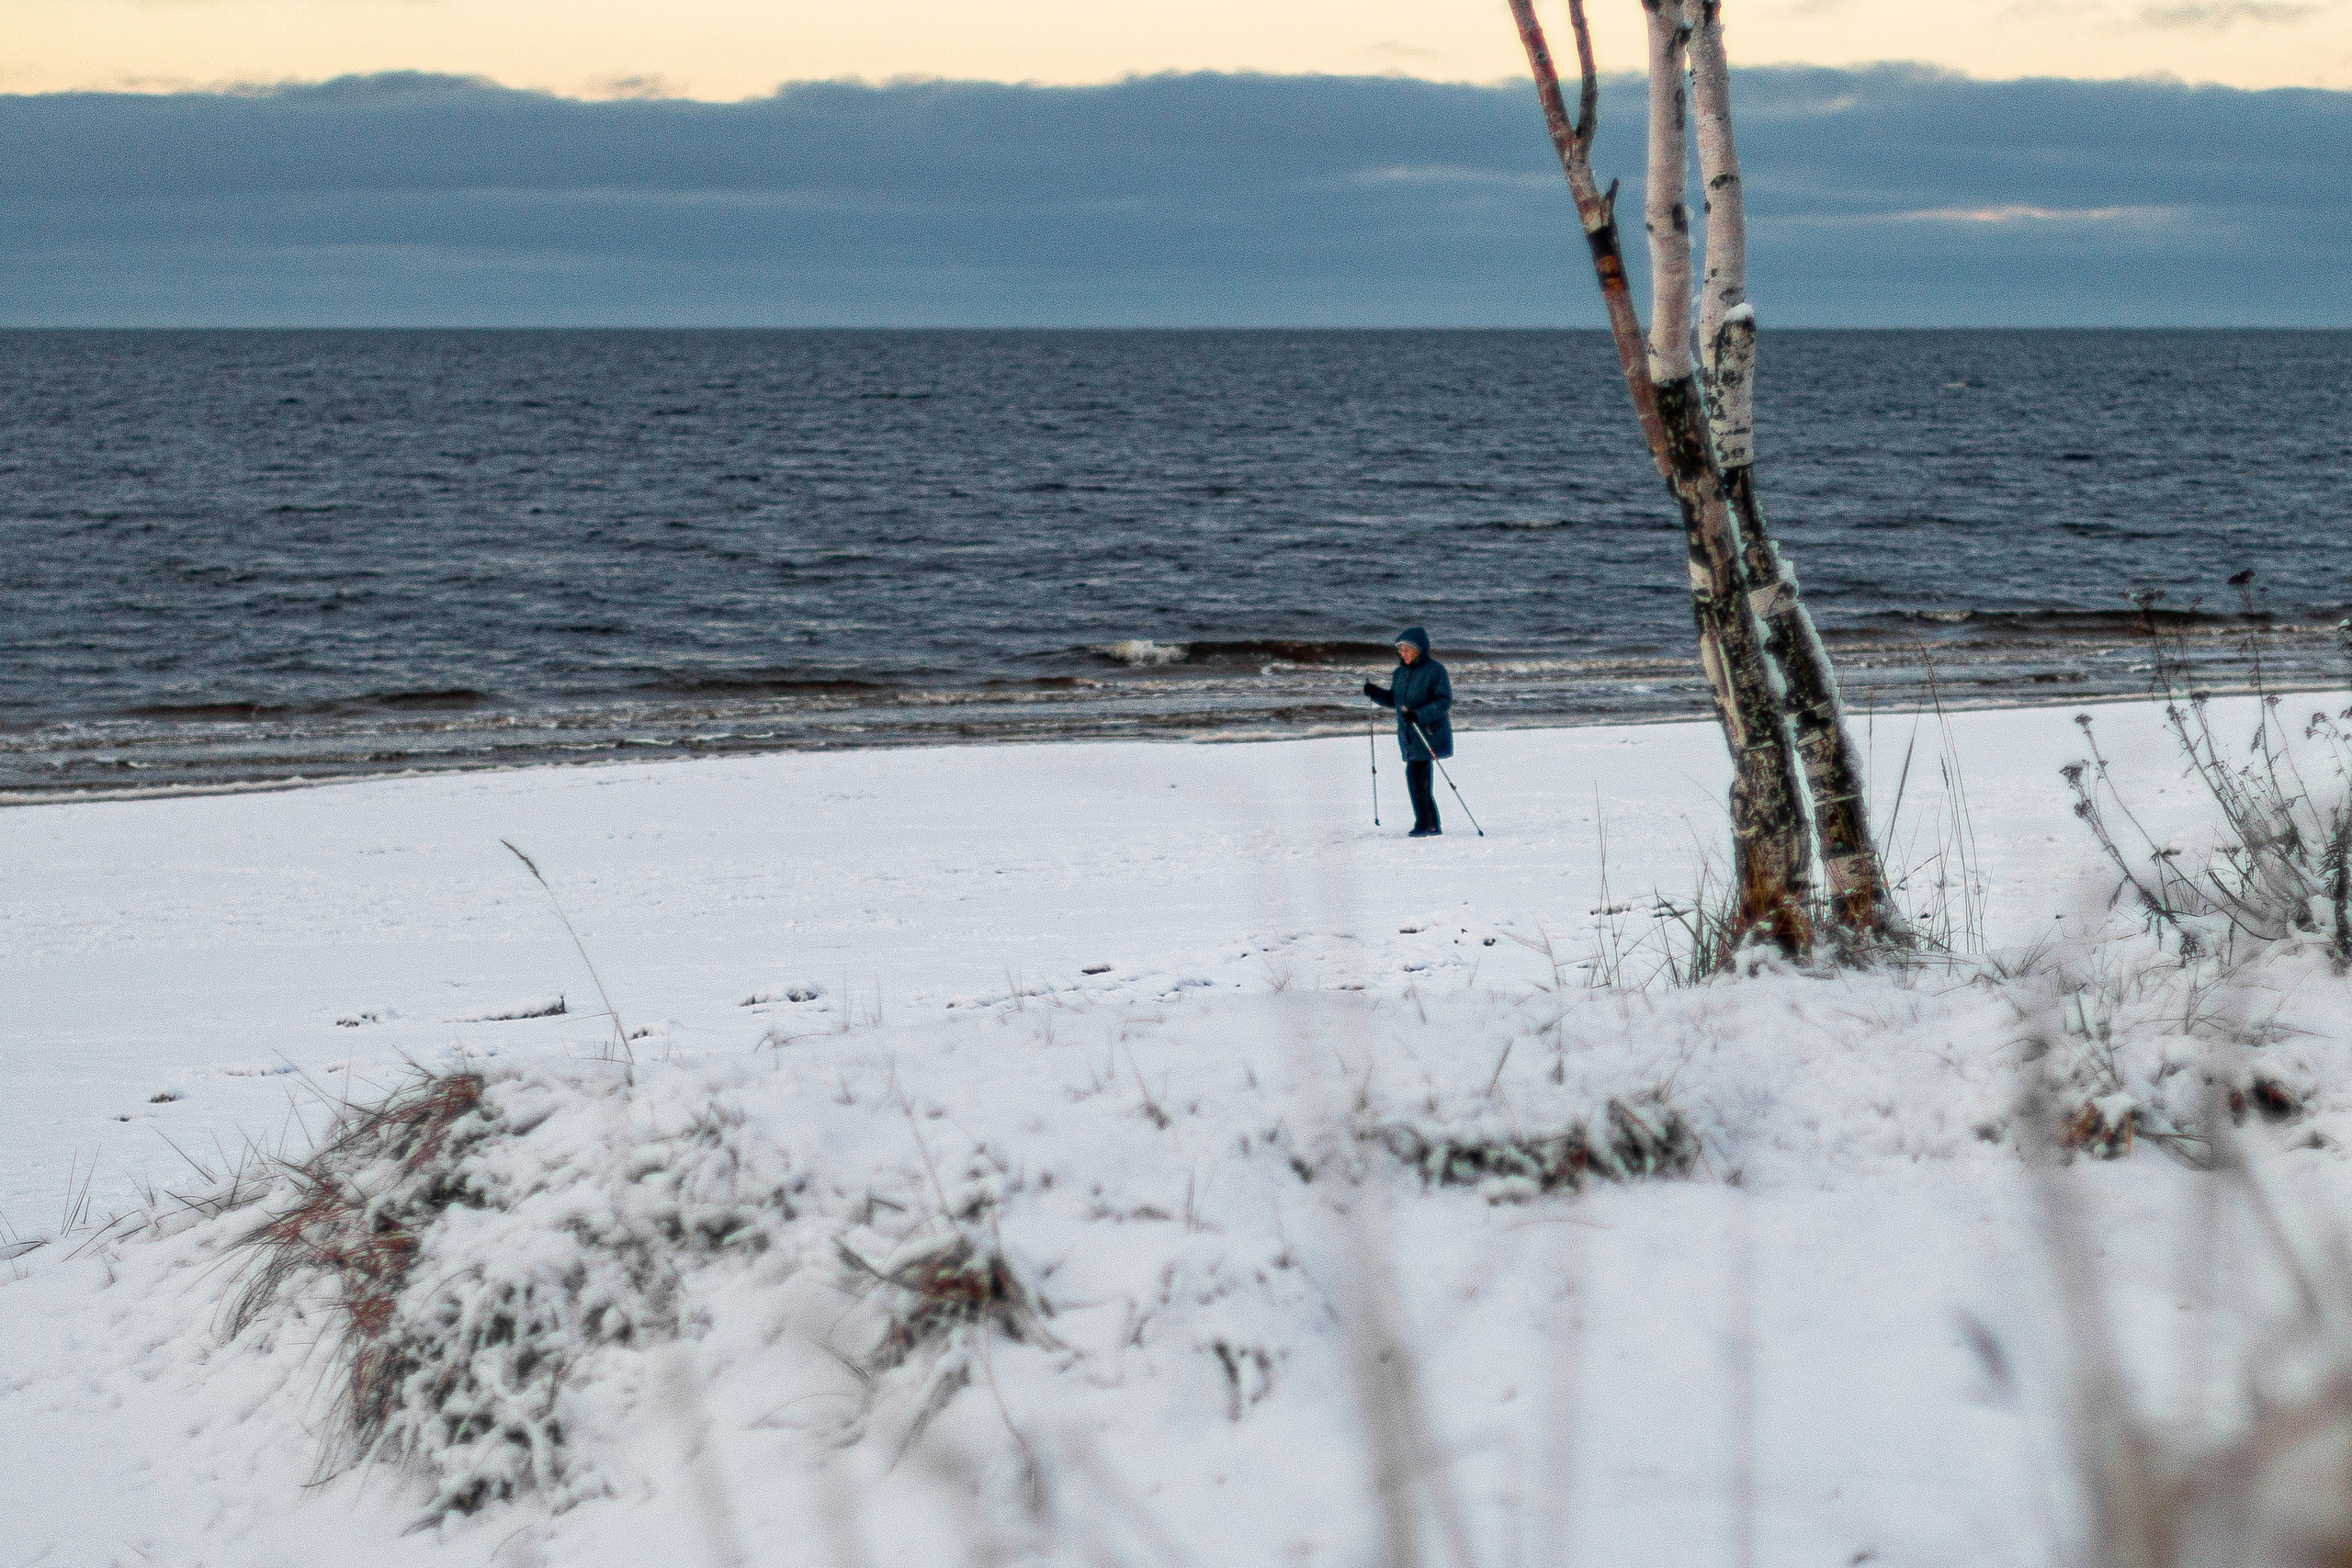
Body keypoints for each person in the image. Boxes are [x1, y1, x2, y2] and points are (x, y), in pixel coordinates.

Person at [1363, 626, 1453, 837]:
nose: (1403, 654)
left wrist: (1419, 714)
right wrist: (1375, 693)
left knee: (1417, 777)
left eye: (1407, 650)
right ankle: (1430, 823)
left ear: (1419, 649)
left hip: (1427, 732)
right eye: (1400, 650)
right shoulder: (1400, 673)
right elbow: (1394, 700)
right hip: (1409, 734)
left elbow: (1444, 701)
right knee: (1416, 777)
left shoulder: (1435, 670)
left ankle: (1427, 823)